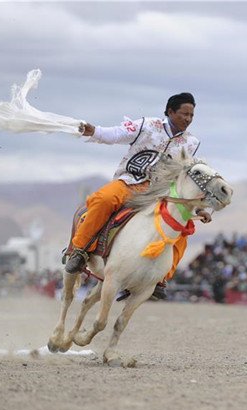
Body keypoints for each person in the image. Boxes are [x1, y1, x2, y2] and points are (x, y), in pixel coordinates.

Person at [66, 92, 211, 299]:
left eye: (191, 116)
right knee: (103, 200)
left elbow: (184, 178)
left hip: (160, 194)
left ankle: (161, 277)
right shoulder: (147, 126)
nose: (188, 119)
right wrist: (94, 131)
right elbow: (115, 134)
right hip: (129, 182)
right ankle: (79, 251)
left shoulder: (191, 143)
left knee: (183, 227)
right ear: (170, 112)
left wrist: (197, 208)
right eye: (184, 114)